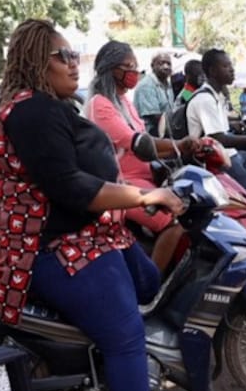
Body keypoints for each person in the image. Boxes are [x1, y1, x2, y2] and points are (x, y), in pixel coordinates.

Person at [0, 19, 183, 391]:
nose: (74, 64)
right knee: (127, 335)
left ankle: (101, 361)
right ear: (38, 62)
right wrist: (146, 197)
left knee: (149, 282)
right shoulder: (31, 112)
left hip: (92, 234)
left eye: (76, 55)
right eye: (64, 56)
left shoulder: (51, 105)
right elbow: (71, 187)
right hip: (55, 245)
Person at [85, 40, 199, 273]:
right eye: (128, 66)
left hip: (142, 177)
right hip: (122, 183)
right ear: (112, 69)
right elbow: (136, 142)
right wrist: (178, 144)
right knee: (174, 223)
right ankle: (154, 286)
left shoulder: (124, 101)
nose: (134, 72)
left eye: (136, 65)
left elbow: (145, 139)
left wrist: (179, 150)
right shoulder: (101, 104)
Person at [186, 48, 246, 216]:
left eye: (231, 65)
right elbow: (220, 138)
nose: (232, 69)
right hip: (217, 162)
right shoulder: (205, 99)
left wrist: (236, 124)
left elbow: (221, 126)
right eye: (226, 66)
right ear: (213, 71)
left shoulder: (217, 96)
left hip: (230, 155)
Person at [133, 52, 173, 136]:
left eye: (168, 64)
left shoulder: (168, 84)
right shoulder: (147, 85)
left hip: (165, 128)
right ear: (152, 66)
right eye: (161, 63)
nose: (166, 67)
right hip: (149, 133)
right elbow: (155, 117)